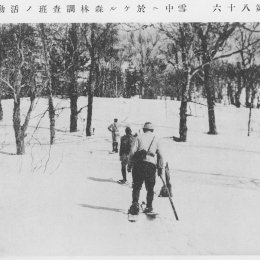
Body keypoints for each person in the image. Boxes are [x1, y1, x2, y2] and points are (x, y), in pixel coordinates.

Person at [127, 122, 164, 214]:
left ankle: (135, 204)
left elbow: (132, 152)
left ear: (144, 129)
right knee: (150, 188)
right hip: (151, 165)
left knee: (137, 186)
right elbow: (160, 155)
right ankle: (149, 206)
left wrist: (130, 164)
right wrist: (160, 168)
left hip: (139, 164)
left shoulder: (138, 137)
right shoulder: (156, 139)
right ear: (152, 130)